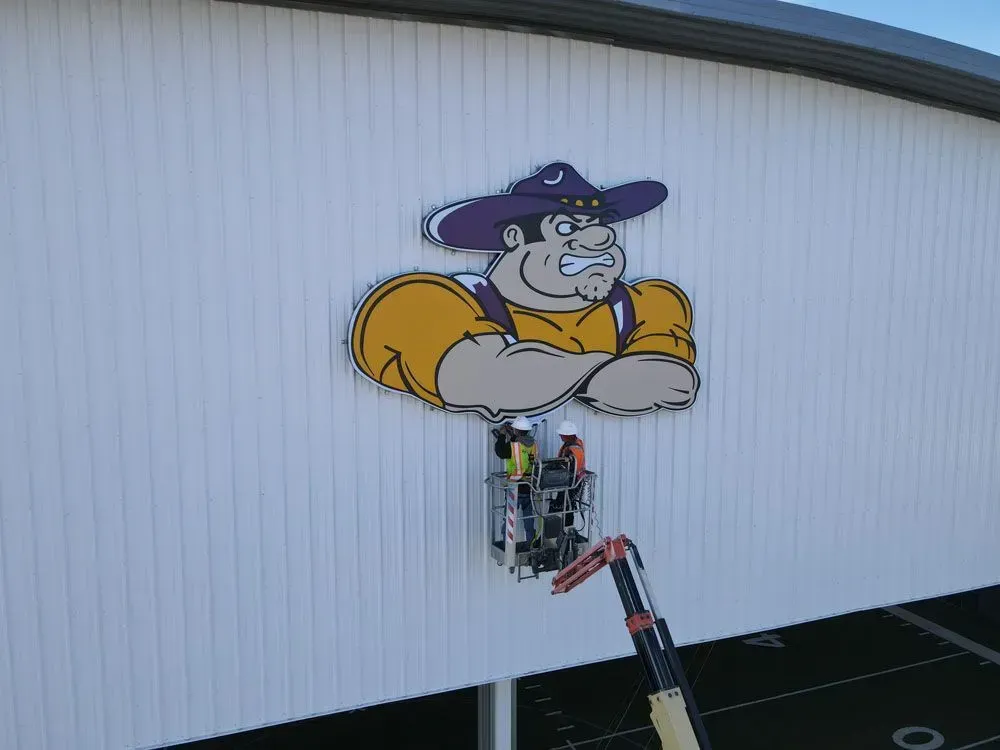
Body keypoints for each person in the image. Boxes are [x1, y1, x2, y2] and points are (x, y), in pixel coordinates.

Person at [493, 416, 539, 544]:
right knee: (529, 518)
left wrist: (502, 435)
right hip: (529, 486)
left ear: (517, 431)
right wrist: (512, 435)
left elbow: (501, 451)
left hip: (515, 487)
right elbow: (522, 451)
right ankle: (531, 544)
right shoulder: (533, 444)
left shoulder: (513, 446)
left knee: (509, 518)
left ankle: (506, 544)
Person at [553, 420, 585, 529]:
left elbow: (567, 467)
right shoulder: (575, 444)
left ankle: (562, 533)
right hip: (573, 481)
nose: (560, 435)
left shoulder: (571, 450)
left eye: (561, 433)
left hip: (570, 482)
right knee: (568, 507)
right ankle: (567, 532)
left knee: (560, 507)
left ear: (566, 435)